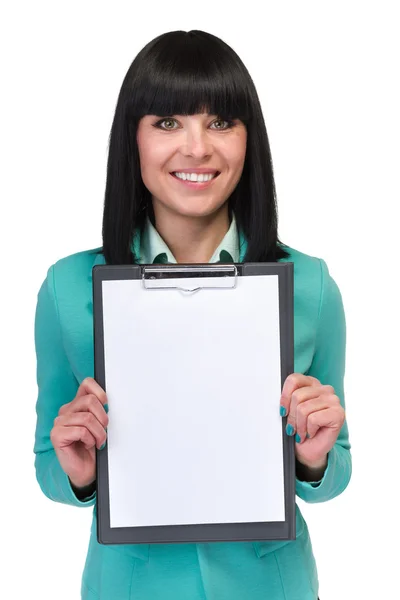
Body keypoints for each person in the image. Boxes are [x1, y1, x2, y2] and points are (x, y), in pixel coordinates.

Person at [33, 29, 351, 600]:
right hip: (130, 586)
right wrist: (77, 471)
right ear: (133, 138)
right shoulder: (67, 288)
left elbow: (333, 479)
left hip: (269, 586)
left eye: (222, 122)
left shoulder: (311, 286)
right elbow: (48, 470)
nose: (197, 148)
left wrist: (313, 458)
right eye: (168, 122)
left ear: (249, 139)